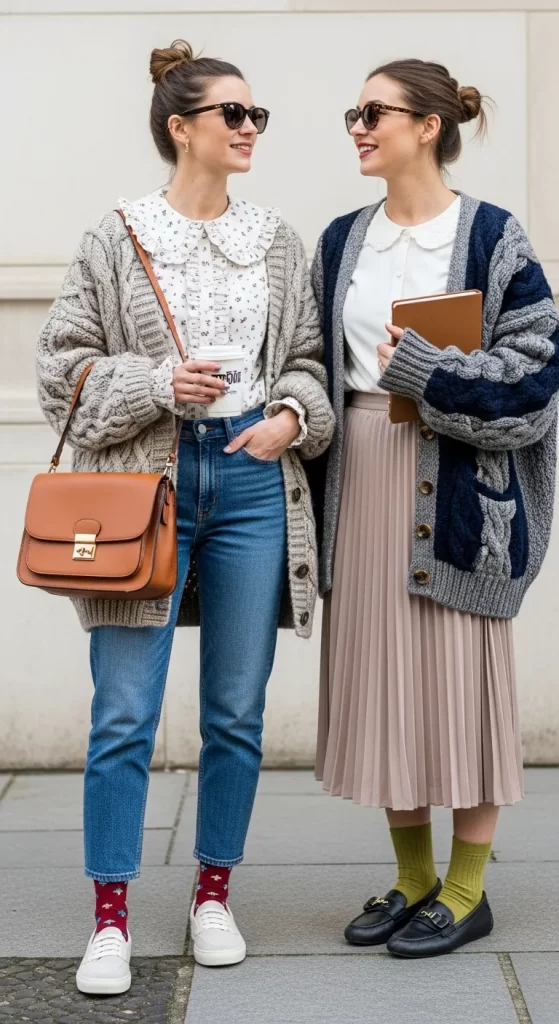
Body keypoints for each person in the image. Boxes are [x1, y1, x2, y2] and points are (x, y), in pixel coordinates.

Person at [37, 39, 333, 993]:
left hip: (251, 483)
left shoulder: (278, 240)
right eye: (233, 116)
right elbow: (61, 371)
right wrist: (156, 381)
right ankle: (111, 918)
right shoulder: (115, 236)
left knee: (235, 715)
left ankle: (213, 895)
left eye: (257, 118)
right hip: (146, 489)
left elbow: (307, 362)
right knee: (123, 712)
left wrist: (290, 414)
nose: (250, 130)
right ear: (181, 127)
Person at [311, 58, 559, 958]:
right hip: (365, 483)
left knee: (462, 689)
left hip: (459, 493)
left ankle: (465, 890)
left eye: (373, 112)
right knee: (385, 688)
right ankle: (413, 881)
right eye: (354, 111)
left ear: (427, 126)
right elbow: (314, 364)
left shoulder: (492, 237)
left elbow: (537, 380)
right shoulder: (341, 240)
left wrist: (425, 371)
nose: (358, 127)